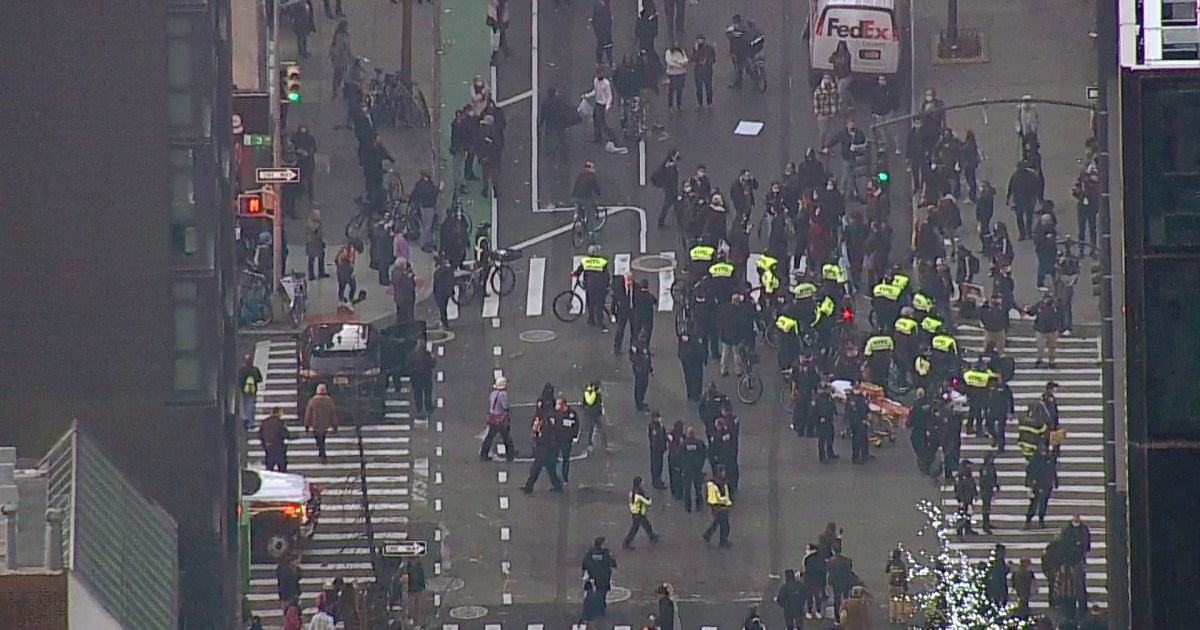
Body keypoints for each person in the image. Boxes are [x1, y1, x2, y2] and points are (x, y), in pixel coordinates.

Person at [522, 417, 564, 493]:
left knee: (536, 471)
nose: (535, 423)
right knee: (550, 472)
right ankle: (558, 487)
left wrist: (537, 434)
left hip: (546, 455)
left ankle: (528, 488)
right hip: (543, 454)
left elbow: (544, 442)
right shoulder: (541, 429)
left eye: (536, 421)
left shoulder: (546, 430)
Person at [574, 245, 611, 329]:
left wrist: (574, 273)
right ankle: (600, 322)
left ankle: (591, 319)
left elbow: (578, 271)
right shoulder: (602, 261)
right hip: (601, 286)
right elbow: (607, 274)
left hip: (590, 286)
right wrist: (607, 285)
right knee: (599, 304)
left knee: (590, 303)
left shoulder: (586, 261)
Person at [480, 377, 515, 461]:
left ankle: (483, 454)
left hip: (493, 418)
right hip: (501, 419)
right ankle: (510, 455)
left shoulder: (493, 393)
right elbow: (504, 406)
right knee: (506, 437)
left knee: (489, 437)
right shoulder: (503, 394)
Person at [581, 536, 618, 615]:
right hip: (603, 577)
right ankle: (601, 609)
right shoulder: (606, 553)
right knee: (601, 592)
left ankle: (592, 607)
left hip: (593, 577)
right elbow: (612, 563)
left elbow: (585, 562)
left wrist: (587, 571)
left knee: (593, 592)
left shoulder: (590, 552)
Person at [303, 383, 338, 463]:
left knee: (319, 439)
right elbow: (333, 413)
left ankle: (321, 452)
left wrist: (307, 425)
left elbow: (308, 414)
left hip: (316, 424)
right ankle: (322, 452)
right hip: (325, 424)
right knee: (322, 438)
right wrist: (334, 425)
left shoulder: (312, 401)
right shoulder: (329, 401)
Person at [1026, 293, 1062, 368]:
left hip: (1052, 330)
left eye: (1049, 298)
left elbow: (1060, 316)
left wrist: (1058, 327)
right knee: (1040, 346)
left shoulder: (1055, 306)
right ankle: (1039, 359)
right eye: (1046, 298)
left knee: (1052, 347)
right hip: (1040, 330)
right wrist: (1027, 310)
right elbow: (1032, 312)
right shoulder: (1039, 305)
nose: (1047, 300)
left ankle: (1051, 361)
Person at [622, 476, 659, 549]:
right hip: (639, 513)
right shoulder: (639, 494)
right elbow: (647, 502)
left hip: (636, 513)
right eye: (642, 482)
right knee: (634, 529)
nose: (643, 484)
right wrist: (650, 500)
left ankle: (652, 536)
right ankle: (627, 542)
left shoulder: (632, 492)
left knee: (646, 524)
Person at [1024, 443, 1055, 528]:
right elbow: (1030, 472)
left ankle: (1041, 519)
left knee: (1043, 504)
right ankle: (1028, 520)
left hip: (1046, 484)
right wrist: (1030, 484)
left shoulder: (1049, 458)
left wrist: (1055, 481)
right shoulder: (1034, 460)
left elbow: (1052, 469)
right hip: (1036, 485)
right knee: (1034, 504)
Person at [553, 395, 580, 482]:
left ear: (564, 404)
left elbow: (576, 426)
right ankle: (555, 477)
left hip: (566, 441)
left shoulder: (571, 414)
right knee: (553, 458)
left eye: (559, 404)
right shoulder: (556, 414)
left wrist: (574, 438)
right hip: (557, 439)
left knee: (566, 459)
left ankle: (565, 476)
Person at [680, 426, 708, 512]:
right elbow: (705, 453)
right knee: (698, 487)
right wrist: (701, 464)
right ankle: (699, 504)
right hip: (697, 468)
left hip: (687, 469)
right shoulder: (699, 443)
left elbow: (678, 455)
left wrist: (681, 466)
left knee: (687, 488)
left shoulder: (684, 444)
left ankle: (688, 506)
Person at [702, 472, 732, 547]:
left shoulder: (712, 484)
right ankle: (723, 541)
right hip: (720, 506)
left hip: (717, 506)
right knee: (724, 524)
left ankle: (708, 534)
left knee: (718, 521)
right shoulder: (719, 485)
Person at [652, 149, 682, 227]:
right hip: (671, 190)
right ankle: (661, 222)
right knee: (668, 206)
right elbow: (672, 180)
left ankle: (679, 220)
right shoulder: (670, 168)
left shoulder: (667, 165)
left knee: (674, 206)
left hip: (670, 189)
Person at [813, 74, 841, 149]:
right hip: (823, 115)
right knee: (823, 132)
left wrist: (838, 110)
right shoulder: (818, 91)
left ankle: (828, 146)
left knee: (831, 132)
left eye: (828, 79)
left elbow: (838, 100)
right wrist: (818, 114)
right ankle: (821, 146)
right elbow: (816, 103)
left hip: (832, 114)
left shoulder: (834, 90)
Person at [259, 407, 290, 472]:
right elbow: (285, 434)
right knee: (282, 468)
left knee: (269, 468)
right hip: (279, 448)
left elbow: (260, 435)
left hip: (269, 448)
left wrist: (264, 445)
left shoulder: (265, 422)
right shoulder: (280, 423)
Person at [814, 381, 838, 462]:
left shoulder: (828, 397)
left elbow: (832, 406)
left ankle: (830, 452)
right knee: (822, 438)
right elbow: (815, 411)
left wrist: (834, 413)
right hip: (822, 421)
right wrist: (819, 418)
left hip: (829, 419)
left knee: (830, 436)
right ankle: (822, 456)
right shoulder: (818, 399)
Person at [238, 355, 264, 430]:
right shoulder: (255, 370)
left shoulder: (242, 370)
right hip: (253, 391)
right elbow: (260, 379)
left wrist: (242, 387)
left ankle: (246, 420)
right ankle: (251, 422)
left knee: (245, 406)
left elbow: (240, 380)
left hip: (244, 391)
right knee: (252, 406)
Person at [691, 34, 717, 108]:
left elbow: (713, 58)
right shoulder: (696, 48)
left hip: (707, 71)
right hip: (698, 71)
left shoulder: (710, 48)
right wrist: (696, 51)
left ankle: (709, 102)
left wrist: (707, 62)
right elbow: (693, 58)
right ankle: (700, 102)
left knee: (708, 87)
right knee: (698, 88)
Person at [885, 548, 908, 624]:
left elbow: (886, 570)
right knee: (899, 601)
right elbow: (904, 576)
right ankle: (899, 618)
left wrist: (890, 559)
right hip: (900, 585)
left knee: (891, 601)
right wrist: (905, 587)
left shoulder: (891, 563)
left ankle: (891, 617)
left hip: (892, 584)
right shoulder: (902, 564)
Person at [630, 339, 654, 411]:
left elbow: (647, 358)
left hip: (645, 369)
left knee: (644, 385)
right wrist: (637, 366)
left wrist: (650, 369)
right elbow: (633, 357)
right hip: (640, 369)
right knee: (639, 386)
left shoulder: (645, 345)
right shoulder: (636, 345)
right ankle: (639, 403)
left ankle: (641, 401)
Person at [648, 412, 668, 489]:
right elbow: (654, 440)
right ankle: (656, 482)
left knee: (660, 465)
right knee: (656, 466)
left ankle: (658, 480)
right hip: (656, 451)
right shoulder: (653, 427)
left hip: (660, 449)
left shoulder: (659, 426)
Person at [591, 0, 614, 65]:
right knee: (603, 44)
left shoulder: (605, 5)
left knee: (605, 44)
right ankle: (603, 61)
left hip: (605, 30)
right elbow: (596, 19)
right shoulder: (599, 5)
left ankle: (604, 61)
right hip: (602, 30)